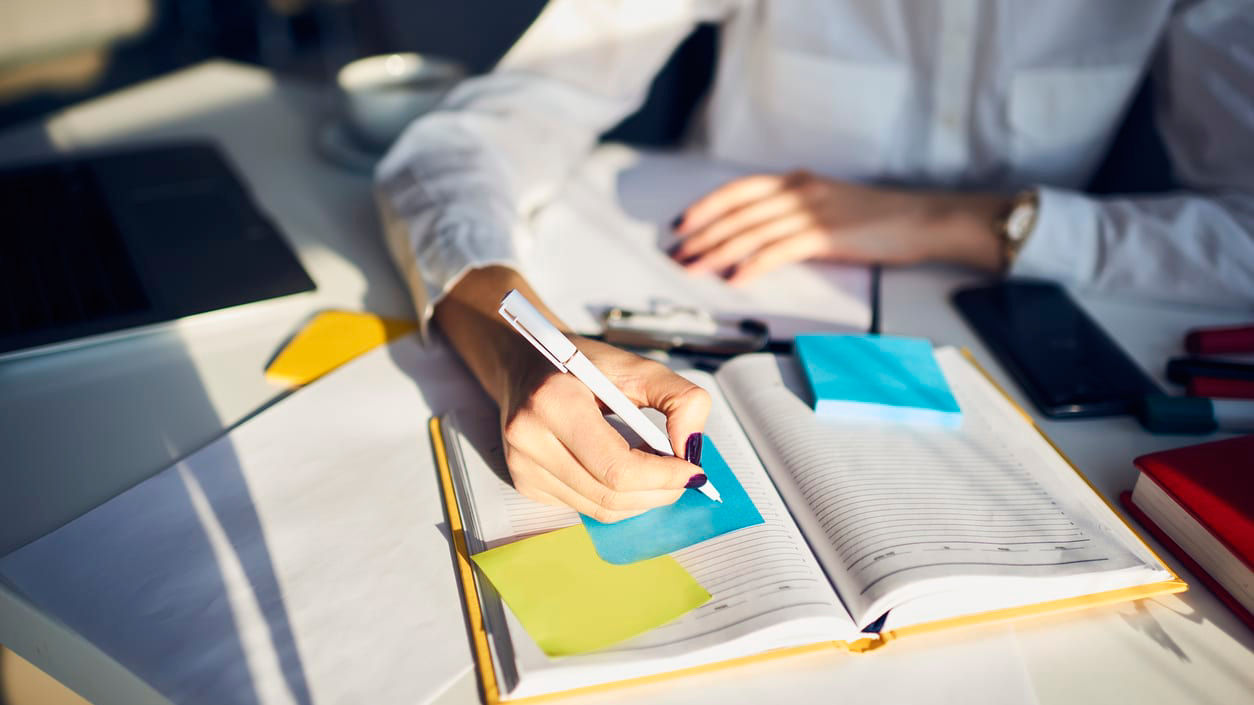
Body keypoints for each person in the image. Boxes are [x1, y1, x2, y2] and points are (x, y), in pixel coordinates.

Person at [375, 0, 1254, 520]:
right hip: (703, 304)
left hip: (1030, 394)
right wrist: (514, 339)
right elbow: (463, 143)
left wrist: (977, 222)